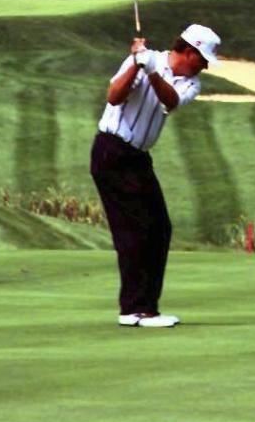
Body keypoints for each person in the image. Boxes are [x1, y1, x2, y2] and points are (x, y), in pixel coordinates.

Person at [91, 24, 222, 327]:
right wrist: (137, 64)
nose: (203, 67)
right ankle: (136, 310)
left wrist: (150, 70)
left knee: (159, 229)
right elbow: (113, 97)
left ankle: (143, 307)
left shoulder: (191, 84)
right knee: (135, 231)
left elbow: (170, 101)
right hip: (112, 151)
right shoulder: (140, 59)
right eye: (201, 60)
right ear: (189, 51)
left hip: (137, 158)